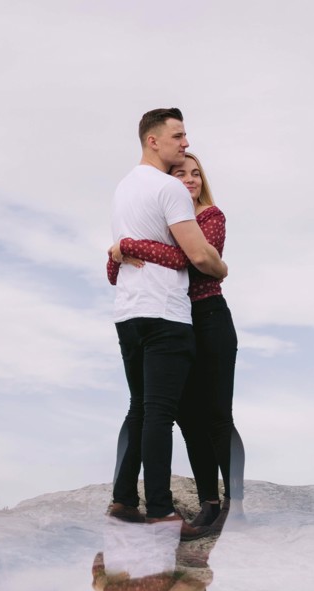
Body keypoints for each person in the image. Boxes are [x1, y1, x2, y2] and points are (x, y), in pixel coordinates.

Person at [109, 152, 243, 525]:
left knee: (217, 415)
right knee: (182, 415)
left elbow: (196, 260)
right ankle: (207, 501)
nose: (191, 180)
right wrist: (122, 250)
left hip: (210, 317)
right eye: (180, 173)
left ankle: (235, 503)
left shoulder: (209, 217)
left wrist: (131, 246)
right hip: (175, 320)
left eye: (196, 174)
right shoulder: (169, 218)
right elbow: (120, 267)